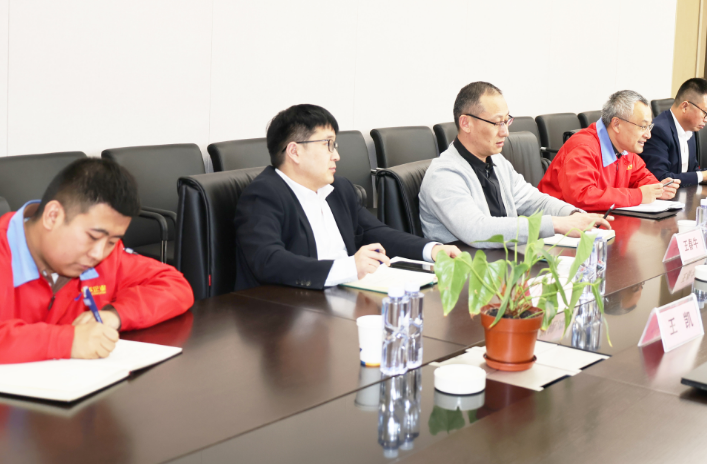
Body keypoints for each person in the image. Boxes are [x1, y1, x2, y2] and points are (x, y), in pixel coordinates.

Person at [235, 104, 460, 291]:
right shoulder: (263, 195)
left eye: (335, 145)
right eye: (327, 145)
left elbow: (375, 232)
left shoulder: (339, 188)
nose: (336, 155)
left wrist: (432, 250)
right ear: (294, 151)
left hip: (345, 297)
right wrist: (349, 267)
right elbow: (269, 260)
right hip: (286, 311)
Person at [0, 158, 194, 364]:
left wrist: (114, 315)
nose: (98, 254)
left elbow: (175, 285)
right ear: (53, 216)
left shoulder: (109, 258)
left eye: (112, 241)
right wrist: (67, 341)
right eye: (93, 237)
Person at [419, 82, 611, 249]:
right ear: (466, 123)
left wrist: (574, 215)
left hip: (505, 262)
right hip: (468, 273)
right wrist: (556, 224)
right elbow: (477, 230)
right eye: (497, 123)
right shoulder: (443, 174)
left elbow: (535, 202)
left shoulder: (497, 161)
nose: (505, 132)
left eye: (506, 121)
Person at [538, 90, 680, 212]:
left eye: (649, 127)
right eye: (643, 127)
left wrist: (658, 189)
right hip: (557, 227)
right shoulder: (583, 147)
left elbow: (641, 177)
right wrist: (639, 195)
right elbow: (582, 197)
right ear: (617, 124)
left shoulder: (625, 149)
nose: (648, 135)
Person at [640, 78, 707, 186]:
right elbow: (660, 178)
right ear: (685, 106)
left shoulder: (690, 130)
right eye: (705, 113)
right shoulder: (658, 130)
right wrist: (704, 175)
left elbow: (691, 171)